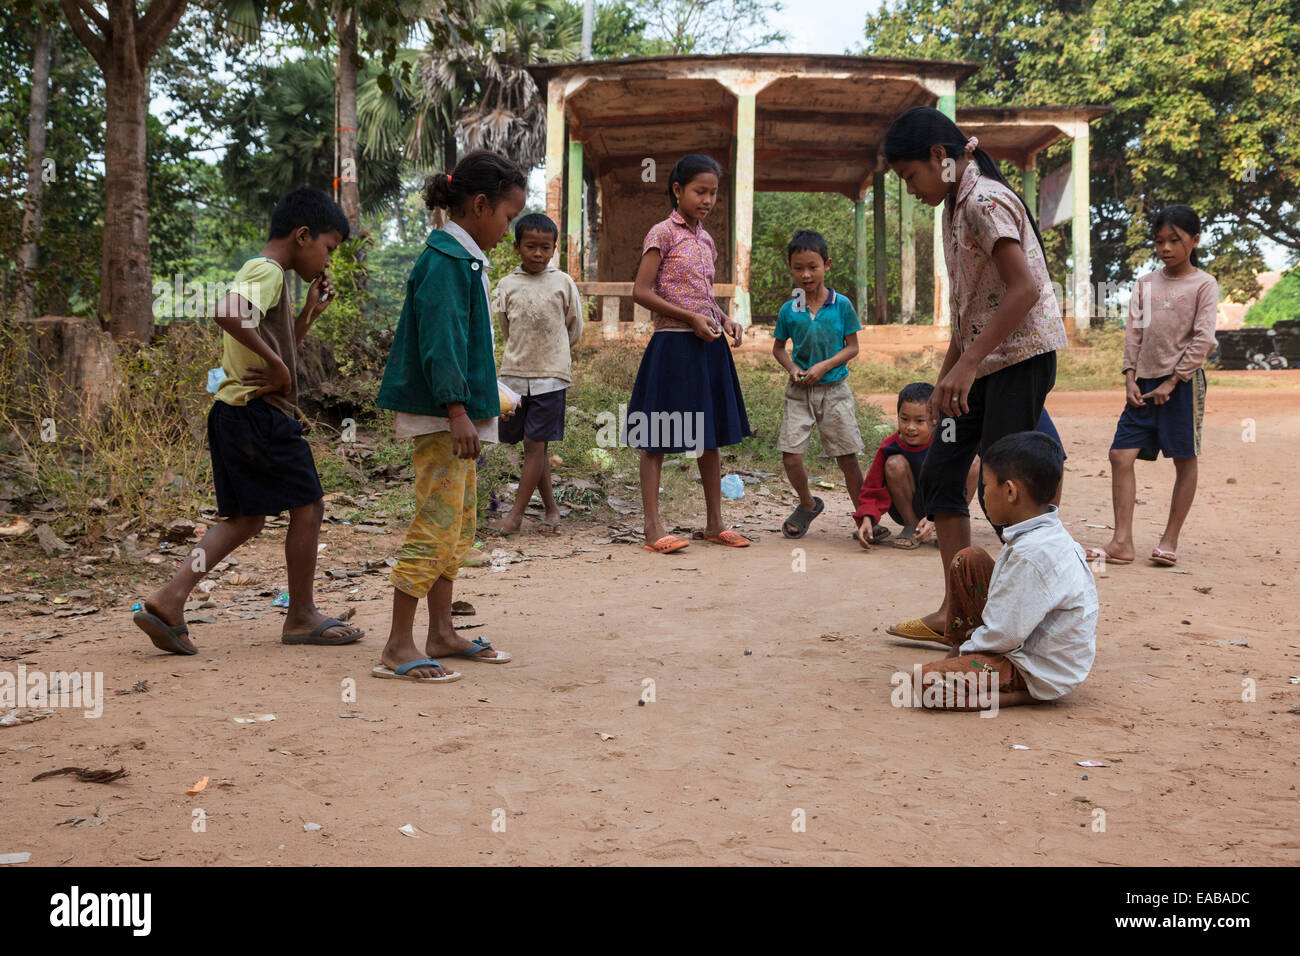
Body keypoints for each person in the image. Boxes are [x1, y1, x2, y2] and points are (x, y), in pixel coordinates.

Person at [133, 188, 364, 655]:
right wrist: (278, 369)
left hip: (233, 413)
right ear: (303, 236)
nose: (326, 262)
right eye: (328, 249)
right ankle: (300, 615)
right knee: (309, 507)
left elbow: (276, 346)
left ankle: (168, 598)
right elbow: (225, 313)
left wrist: (306, 316)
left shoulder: (265, 275)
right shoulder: (268, 271)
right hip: (262, 416)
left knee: (245, 519)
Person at [881, 105, 1069, 644]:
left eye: (909, 176)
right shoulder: (953, 207)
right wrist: (947, 380)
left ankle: (1019, 622)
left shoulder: (984, 200)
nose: (910, 189)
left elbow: (1024, 290)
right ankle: (959, 610)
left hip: (1018, 361)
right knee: (940, 475)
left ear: (939, 157)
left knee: (1008, 492)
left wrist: (966, 365)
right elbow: (970, 309)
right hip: (979, 364)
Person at [372, 150, 526, 683]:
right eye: (507, 218)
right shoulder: (443, 262)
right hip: (443, 419)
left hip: (459, 416)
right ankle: (397, 645)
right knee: (434, 524)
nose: (508, 232)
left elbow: (469, 344)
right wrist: (458, 409)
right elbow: (440, 343)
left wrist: (488, 395)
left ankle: (440, 631)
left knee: (458, 527)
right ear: (480, 205)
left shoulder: (464, 260)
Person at [910, 431, 1098, 711]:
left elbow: (1007, 635)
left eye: (985, 486)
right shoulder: (1039, 533)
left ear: (1010, 491)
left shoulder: (1032, 554)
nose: (983, 495)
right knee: (968, 559)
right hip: (1023, 641)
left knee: (925, 683)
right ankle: (959, 653)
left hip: (1038, 668)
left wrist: (971, 647)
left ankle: (1027, 694)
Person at [626, 153, 751, 554]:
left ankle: (715, 523)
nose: (708, 200)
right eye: (700, 191)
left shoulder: (706, 240)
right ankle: (652, 527)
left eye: (713, 193)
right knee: (657, 437)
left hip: (707, 346)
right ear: (677, 190)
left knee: (708, 437)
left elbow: (703, 296)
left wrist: (723, 318)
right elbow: (642, 292)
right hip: (672, 346)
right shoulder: (662, 233)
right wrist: (691, 318)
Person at [1087, 205, 1217, 568]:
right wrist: (1129, 375)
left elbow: (1204, 339)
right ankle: (1122, 541)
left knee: (1184, 459)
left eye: (1175, 240)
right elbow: (1135, 333)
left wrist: (1174, 380)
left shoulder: (1203, 284)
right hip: (1142, 384)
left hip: (1183, 387)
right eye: (1159, 241)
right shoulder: (1145, 284)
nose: (1166, 248)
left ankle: (1169, 539)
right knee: (1120, 455)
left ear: (1194, 240)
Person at [855, 383, 1067, 553]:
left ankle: (946, 525)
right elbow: (872, 488)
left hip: (939, 503)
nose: (911, 427)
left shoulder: (947, 439)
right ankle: (912, 527)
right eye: (904, 419)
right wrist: (867, 518)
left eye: (920, 421)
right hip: (907, 506)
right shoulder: (890, 445)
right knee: (895, 464)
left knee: (972, 462)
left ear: (935, 419)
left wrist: (935, 516)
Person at [490, 212, 584, 535]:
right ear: (517, 247)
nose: (538, 253)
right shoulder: (506, 285)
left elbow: (574, 328)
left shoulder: (563, 283)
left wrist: (553, 354)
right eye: (531, 246)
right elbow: (505, 328)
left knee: (534, 444)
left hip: (551, 377)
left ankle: (515, 516)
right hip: (514, 378)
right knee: (533, 446)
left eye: (546, 247)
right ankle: (552, 509)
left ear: (554, 248)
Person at [772, 230, 864, 538]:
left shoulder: (842, 305)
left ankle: (866, 517)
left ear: (827, 265)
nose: (806, 274)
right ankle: (808, 503)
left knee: (847, 457)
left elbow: (852, 347)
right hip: (799, 392)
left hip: (835, 392)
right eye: (798, 268)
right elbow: (779, 348)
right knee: (790, 454)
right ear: (790, 268)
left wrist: (824, 366)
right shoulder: (789, 310)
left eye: (813, 266)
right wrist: (793, 367)